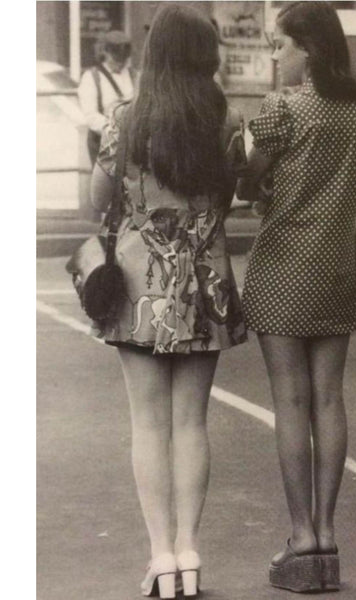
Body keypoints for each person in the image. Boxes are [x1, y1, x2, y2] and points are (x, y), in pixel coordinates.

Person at [89, 5, 247, 598]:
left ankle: (159, 554)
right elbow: (235, 193)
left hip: (137, 288)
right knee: (192, 423)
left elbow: (97, 198)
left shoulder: (125, 120)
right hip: (207, 285)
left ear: (154, 55)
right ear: (206, 57)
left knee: (148, 424)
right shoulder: (226, 120)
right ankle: (189, 549)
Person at [237, 1, 356, 593]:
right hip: (335, 266)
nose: (274, 56)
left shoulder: (281, 109)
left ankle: (300, 536)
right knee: (330, 400)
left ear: (310, 50)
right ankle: (327, 534)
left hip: (281, 268)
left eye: (281, 46)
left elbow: (251, 174)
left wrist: (256, 173)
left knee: (290, 403)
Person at [78, 30, 135, 165]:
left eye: (124, 59)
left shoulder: (134, 75)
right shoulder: (91, 78)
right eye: (116, 58)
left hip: (132, 144)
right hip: (103, 144)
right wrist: (116, 132)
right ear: (105, 53)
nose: (120, 63)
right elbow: (91, 116)